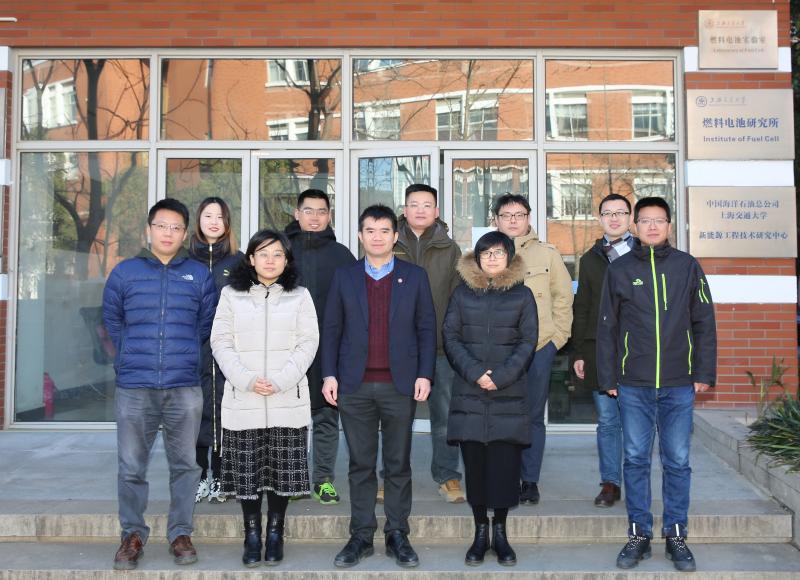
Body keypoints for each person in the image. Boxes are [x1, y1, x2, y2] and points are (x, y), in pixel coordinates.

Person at [597, 197, 717, 572]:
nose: (652, 226)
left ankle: (676, 534)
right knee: (635, 459)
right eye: (645, 220)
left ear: (669, 225)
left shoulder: (687, 266)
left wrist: (704, 372)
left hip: (679, 383)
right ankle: (639, 534)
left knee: (677, 460)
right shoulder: (619, 270)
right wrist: (608, 378)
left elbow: (704, 322)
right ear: (634, 226)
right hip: (633, 383)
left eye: (659, 220)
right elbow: (607, 328)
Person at [103, 198, 217, 571]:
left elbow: (206, 324)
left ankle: (180, 533)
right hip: (135, 386)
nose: (168, 233)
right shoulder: (125, 273)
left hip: (183, 385)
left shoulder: (199, 275)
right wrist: (129, 356)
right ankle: (132, 535)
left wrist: (183, 357)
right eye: (161, 226)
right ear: (148, 230)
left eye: (176, 227)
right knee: (131, 466)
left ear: (185, 234)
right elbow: (112, 321)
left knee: (185, 464)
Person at [321, 204, 436, 569]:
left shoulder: (414, 277)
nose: (377, 237)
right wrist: (329, 374)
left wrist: (425, 374)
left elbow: (426, 329)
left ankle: (397, 533)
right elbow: (332, 329)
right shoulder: (345, 276)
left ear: (395, 236)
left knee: (398, 464)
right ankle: (361, 535)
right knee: (360, 464)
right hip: (354, 385)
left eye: (384, 230)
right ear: (360, 235)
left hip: (399, 385)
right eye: (370, 230)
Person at [210, 229, 319, 567]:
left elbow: (308, 343)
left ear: (287, 260)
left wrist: (282, 380)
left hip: (286, 397)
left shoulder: (300, 296)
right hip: (245, 398)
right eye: (263, 254)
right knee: (249, 473)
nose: (270, 261)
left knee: (281, 472)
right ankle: (252, 534)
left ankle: (275, 532)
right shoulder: (231, 295)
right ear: (251, 258)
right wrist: (246, 379)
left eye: (277, 255)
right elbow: (220, 342)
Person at [443, 231, 538, 566]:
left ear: (510, 257)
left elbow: (528, 342)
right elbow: (451, 337)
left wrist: (500, 376)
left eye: (499, 252)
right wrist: (475, 373)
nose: (493, 258)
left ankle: (500, 532)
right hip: (470, 393)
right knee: (476, 469)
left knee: (504, 469)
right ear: (477, 258)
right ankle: (480, 531)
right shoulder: (462, 293)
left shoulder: (523, 295)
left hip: (508, 394)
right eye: (486, 253)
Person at [493, 193, 573, 505]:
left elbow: (563, 298)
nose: (513, 220)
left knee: (532, 417)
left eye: (519, 214)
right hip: (499, 352)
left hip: (539, 348)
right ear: (496, 220)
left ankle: (529, 480)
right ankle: (504, 476)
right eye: (506, 215)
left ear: (528, 218)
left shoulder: (547, 254)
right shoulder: (487, 253)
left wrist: (556, 340)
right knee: (500, 415)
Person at [393, 183, 464, 503]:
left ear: (436, 211)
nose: (420, 210)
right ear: (405, 209)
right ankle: (391, 476)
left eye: (427, 205)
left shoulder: (450, 249)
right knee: (395, 418)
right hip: (396, 349)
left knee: (445, 415)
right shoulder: (388, 241)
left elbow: (457, 299)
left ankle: (448, 475)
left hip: (439, 348)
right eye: (414, 204)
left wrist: (451, 339)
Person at [285, 189, 356, 505]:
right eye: (308, 210)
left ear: (329, 215)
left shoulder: (341, 255)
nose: (315, 217)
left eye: (321, 211)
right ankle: (294, 478)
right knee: (292, 417)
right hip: (288, 349)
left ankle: (323, 480)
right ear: (297, 213)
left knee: (327, 415)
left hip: (330, 349)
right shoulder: (281, 251)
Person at [571, 193, 634, 508]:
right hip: (600, 350)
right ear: (600, 219)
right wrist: (579, 352)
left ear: (630, 218)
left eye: (620, 212)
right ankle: (610, 483)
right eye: (608, 213)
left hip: (639, 351)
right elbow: (582, 307)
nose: (614, 218)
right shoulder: (590, 259)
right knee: (608, 420)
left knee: (637, 421)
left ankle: (636, 481)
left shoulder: (645, 254)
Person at [188, 196, 244, 505]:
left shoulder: (239, 262)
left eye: (219, 216)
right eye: (208, 215)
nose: (213, 221)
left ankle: (223, 476)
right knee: (194, 415)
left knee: (225, 414)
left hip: (228, 354)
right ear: (198, 220)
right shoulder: (184, 262)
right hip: (192, 352)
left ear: (227, 223)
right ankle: (198, 478)